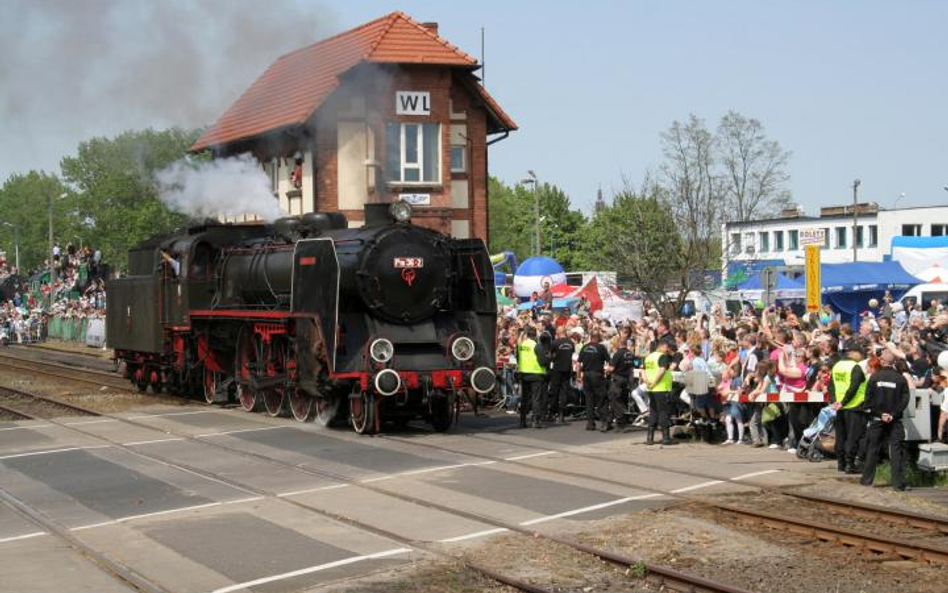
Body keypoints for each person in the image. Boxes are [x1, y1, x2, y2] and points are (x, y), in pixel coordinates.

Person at [860, 349, 910, 490]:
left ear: (882, 361)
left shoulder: (874, 378)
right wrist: (893, 414)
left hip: (877, 419)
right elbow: (905, 401)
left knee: (873, 449)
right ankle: (898, 484)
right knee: (896, 450)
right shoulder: (901, 379)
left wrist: (881, 414)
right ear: (893, 362)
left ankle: (867, 480)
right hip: (895, 420)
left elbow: (868, 401)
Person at [829, 341, 869, 474]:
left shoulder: (837, 366)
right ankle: (850, 465)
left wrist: (835, 401)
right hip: (854, 406)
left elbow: (831, 386)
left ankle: (841, 463)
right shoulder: (855, 367)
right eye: (861, 354)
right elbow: (854, 387)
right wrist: (844, 402)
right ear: (853, 353)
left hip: (840, 407)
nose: (862, 357)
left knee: (841, 436)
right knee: (853, 437)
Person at [644, 339, 675, 445]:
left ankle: (650, 437)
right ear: (662, 346)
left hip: (651, 389)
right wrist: (654, 383)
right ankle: (666, 437)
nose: (667, 350)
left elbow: (642, 371)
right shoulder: (662, 357)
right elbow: (662, 371)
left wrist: (647, 382)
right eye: (667, 347)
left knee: (653, 411)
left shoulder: (649, 357)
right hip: (660, 388)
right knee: (663, 412)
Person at [602, 335, 635, 432]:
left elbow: (611, 368)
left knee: (615, 401)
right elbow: (632, 367)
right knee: (618, 400)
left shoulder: (618, 354)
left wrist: (606, 370)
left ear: (618, 343)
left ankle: (620, 422)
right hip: (626, 379)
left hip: (617, 379)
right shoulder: (630, 353)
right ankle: (609, 423)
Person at [578, 330, 609, 431]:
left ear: (591, 337)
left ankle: (590, 423)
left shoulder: (584, 347)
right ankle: (604, 422)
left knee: (589, 399)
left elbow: (578, 363)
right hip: (597, 375)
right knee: (601, 398)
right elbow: (609, 361)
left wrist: (578, 376)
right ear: (598, 338)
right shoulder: (601, 347)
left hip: (586, 375)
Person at [517, 326, 547, 429]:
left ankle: (522, 421)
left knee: (524, 398)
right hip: (536, 373)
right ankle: (535, 421)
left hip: (524, 373)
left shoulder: (522, 345)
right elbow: (543, 361)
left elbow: (518, 358)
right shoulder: (536, 345)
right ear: (535, 335)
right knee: (536, 398)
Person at [548, 326, 574, 424]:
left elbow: (550, 356)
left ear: (558, 332)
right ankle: (561, 415)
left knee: (554, 391)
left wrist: (553, 357)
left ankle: (551, 413)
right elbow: (571, 354)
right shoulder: (571, 343)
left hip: (557, 369)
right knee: (564, 392)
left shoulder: (555, 342)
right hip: (567, 368)